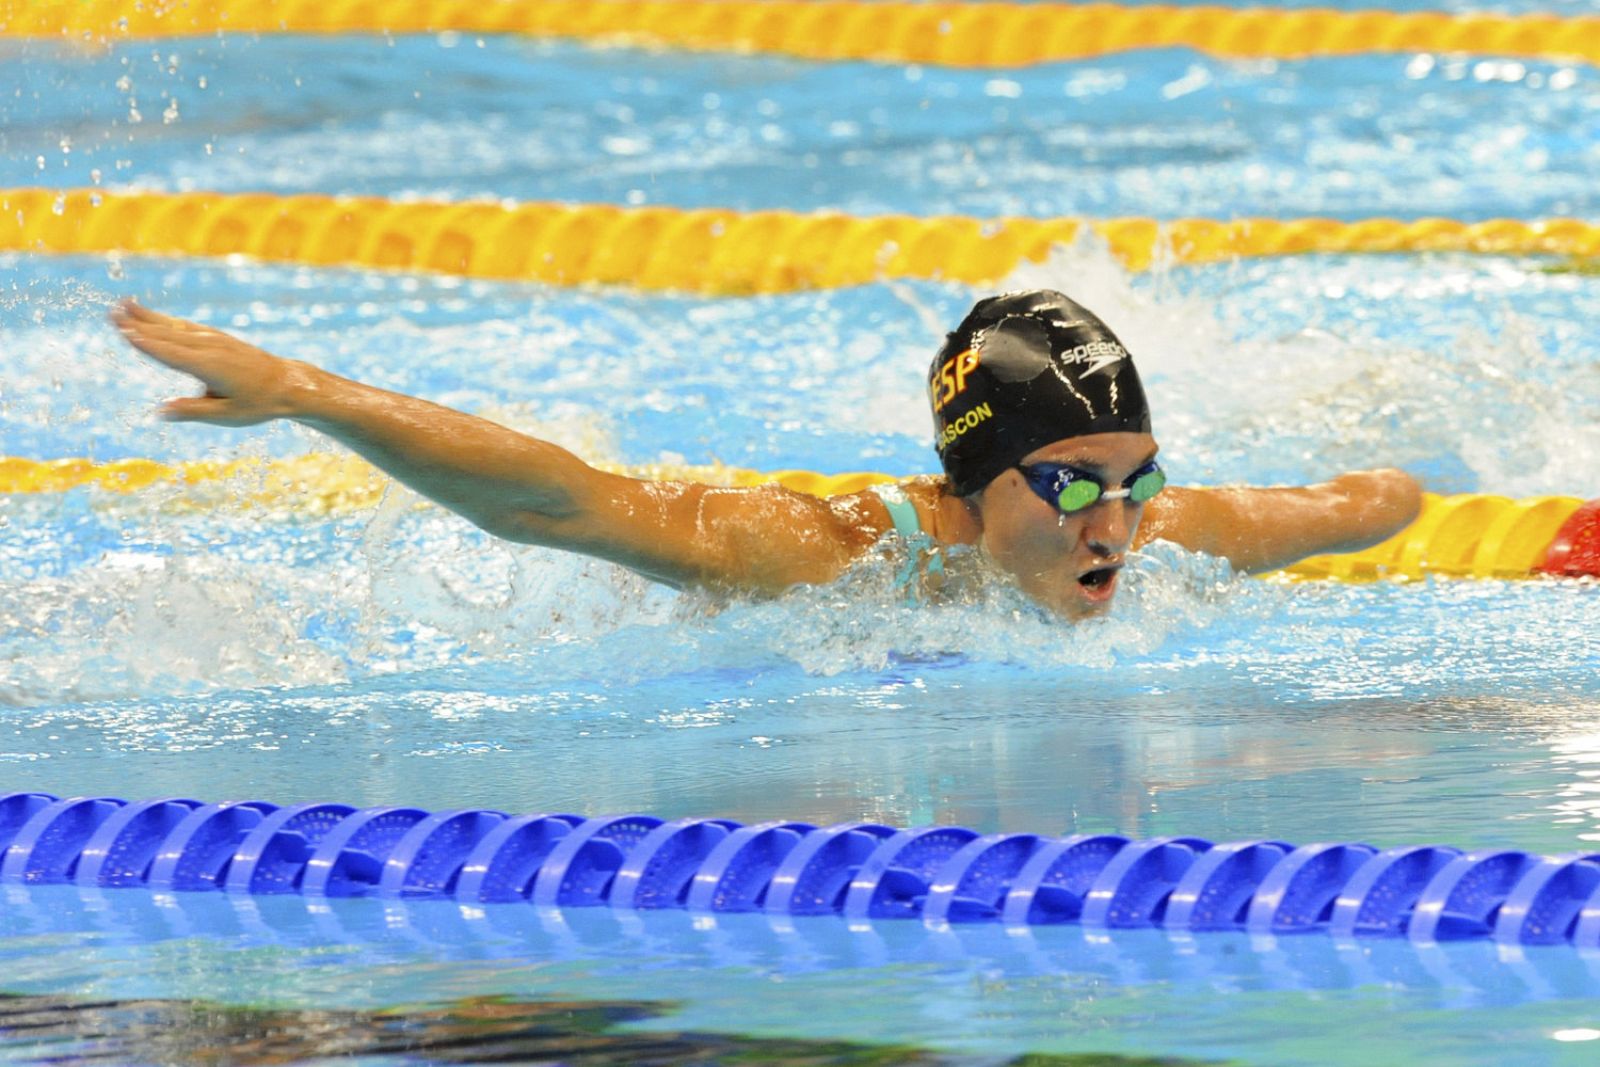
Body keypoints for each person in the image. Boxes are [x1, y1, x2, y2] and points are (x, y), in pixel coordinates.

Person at [111, 289, 1421, 619]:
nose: (1116, 529)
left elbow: (1360, 506)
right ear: (974, 479)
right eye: (1071, 485)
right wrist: (300, 391)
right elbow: (559, 503)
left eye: (1135, 482)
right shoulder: (829, 557)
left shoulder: (1162, 528)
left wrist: (1394, 485)